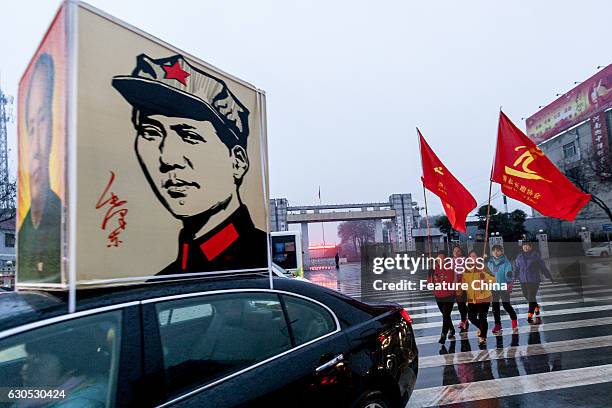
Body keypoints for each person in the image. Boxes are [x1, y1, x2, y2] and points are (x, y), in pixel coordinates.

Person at [113, 54, 268, 275]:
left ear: (238, 162)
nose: (167, 159)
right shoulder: (167, 277)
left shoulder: (256, 266)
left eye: (189, 136)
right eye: (151, 133)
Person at [18, 53, 62, 283]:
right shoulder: (22, 235)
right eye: (30, 127)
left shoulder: (66, 226)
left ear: (54, 128)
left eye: (42, 121)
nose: (35, 149)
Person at [514, 240, 553, 324]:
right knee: (526, 296)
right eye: (524, 246)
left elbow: (543, 267)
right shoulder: (519, 257)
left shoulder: (536, 256)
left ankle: (529, 316)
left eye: (527, 246)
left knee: (531, 297)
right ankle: (536, 307)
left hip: (534, 280)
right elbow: (517, 269)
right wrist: (513, 279)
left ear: (531, 247)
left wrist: (549, 276)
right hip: (523, 280)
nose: (525, 247)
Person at [462, 250, 495, 346]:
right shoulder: (465, 269)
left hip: (484, 297)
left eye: (474, 256)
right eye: (471, 256)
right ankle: (480, 327)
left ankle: (483, 337)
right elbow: (464, 283)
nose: (473, 258)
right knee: (471, 317)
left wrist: (485, 277)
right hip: (472, 298)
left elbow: (493, 279)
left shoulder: (483, 267)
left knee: (482, 317)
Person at [427, 251, 456, 344]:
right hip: (438, 295)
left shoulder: (450, 268)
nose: (441, 260)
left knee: (446, 315)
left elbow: (452, 280)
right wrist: (430, 272)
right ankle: (451, 329)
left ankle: (443, 334)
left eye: (443, 258)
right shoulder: (433, 269)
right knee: (445, 315)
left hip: (449, 295)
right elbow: (430, 283)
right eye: (439, 258)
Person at [487, 244, 518, 333]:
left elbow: (509, 272)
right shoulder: (489, 263)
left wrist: (509, 276)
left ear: (502, 251)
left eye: (498, 250)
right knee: (495, 307)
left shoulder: (506, 262)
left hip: (504, 286)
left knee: (506, 305)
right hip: (493, 287)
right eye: (494, 251)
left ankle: (514, 320)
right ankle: (498, 325)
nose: (496, 252)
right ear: (492, 252)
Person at [451, 245, 469, 333]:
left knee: (463, 302)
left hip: (465, 284)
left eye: (458, 251)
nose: (456, 252)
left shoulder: (465, 260)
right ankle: (464, 319)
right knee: (460, 303)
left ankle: (464, 320)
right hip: (456, 285)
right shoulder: (451, 261)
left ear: (461, 252)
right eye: (454, 251)